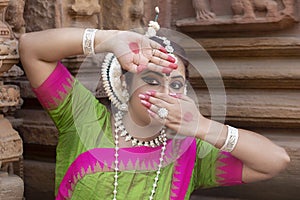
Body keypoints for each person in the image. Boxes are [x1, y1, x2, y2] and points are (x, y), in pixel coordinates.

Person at [19, 25, 290, 200]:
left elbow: (275, 161)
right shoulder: (84, 118)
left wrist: (203, 127)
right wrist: (109, 39)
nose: (164, 93)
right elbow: (32, 48)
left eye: (175, 85)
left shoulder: (188, 153)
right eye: (150, 81)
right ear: (124, 85)